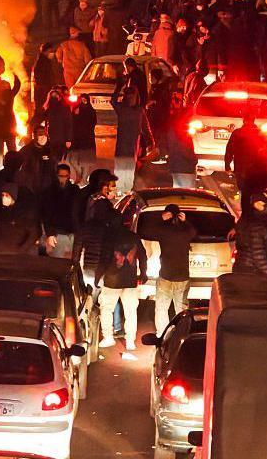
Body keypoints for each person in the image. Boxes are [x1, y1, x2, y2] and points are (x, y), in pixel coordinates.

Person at [96, 228, 147, 352]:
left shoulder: (109, 236)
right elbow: (143, 256)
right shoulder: (134, 237)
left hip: (111, 281)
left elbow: (103, 259)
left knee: (106, 309)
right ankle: (130, 341)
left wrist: (98, 277)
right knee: (131, 311)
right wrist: (143, 273)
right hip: (130, 280)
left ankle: (108, 337)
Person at [152, 204, 197, 335]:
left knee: (161, 308)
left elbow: (150, 230)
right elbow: (193, 232)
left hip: (166, 275)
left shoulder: (163, 230)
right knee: (181, 309)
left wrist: (161, 219)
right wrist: (186, 222)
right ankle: (181, 333)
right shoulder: (185, 231)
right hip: (182, 277)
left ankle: (162, 334)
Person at [112, 83, 152, 194]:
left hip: (127, 145)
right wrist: (150, 142)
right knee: (125, 169)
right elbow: (145, 127)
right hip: (128, 145)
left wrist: (119, 86)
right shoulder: (130, 110)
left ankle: (123, 190)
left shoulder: (132, 110)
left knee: (125, 169)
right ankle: (123, 190)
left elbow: (145, 127)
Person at [0, 183, 40, 255]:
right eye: (2, 195)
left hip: (15, 255)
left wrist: (21, 250)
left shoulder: (24, 214)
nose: (3, 198)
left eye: (7, 195)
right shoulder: (0, 213)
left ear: (13, 197)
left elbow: (33, 234)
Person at [40, 163, 79, 258]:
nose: (64, 178)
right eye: (61, 176)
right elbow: (46, 213)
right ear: (57, 176)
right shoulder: (49, 191)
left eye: (66, 176)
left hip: (71, 231)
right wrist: (50, 233)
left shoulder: (75, 190)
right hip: (57, 231)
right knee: (58, 260)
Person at [233, 192, 267, 275]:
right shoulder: (257, 225)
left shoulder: (244, 220)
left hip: (240, 265)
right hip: (251, 270)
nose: (266, 207)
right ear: (255, 204)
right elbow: (258, 254)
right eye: (263, 204)